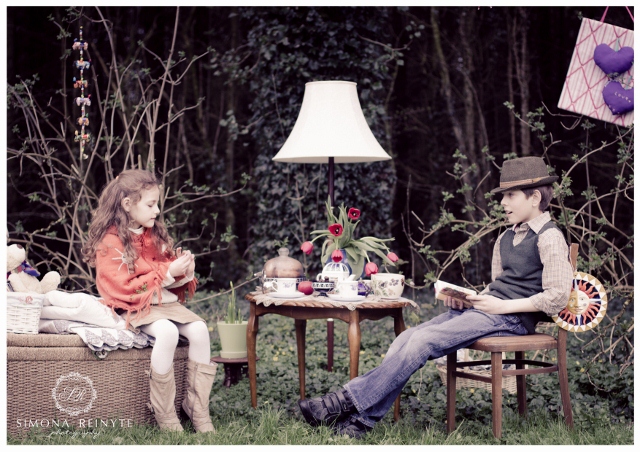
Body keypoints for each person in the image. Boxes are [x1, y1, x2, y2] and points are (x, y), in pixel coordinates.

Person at [298, 156, 574, 439]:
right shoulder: (505, 238)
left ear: (535, 197)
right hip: (489, 312)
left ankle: (340, 402)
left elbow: (557, 296)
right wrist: (470, 299)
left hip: (513, 319)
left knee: (423, 341)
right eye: (503, 195)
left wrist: (502, 306)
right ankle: (360, 422)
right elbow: (499, 287)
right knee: (407, 338)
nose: (502, 202)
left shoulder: (549, 237)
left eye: (510, 195)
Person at [82, 169, 217, 433]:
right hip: (132, 304)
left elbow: (165, 275)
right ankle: (164, 412)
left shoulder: (153, 235)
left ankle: (197, 407)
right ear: (127, 204)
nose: (157, 211)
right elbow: (122, 285)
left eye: (157, 204)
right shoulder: (110, 241)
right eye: (151, 204)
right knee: (167, 332)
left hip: (162, 303)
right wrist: (167, 272)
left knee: (200, 329)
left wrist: (183, 270)